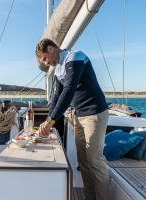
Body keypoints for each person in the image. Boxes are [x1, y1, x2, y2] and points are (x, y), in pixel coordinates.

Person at [35, 38, 109, 200]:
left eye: (45, 58)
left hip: (94, 114)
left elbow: (69, 90)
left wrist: (52, 120)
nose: (46, 63)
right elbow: (56, 96)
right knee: (83, 161)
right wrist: (49, 118)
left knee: (94, 160)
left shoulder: (75, 57)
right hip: (78, 116)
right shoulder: (57, 69)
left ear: (52, 48)